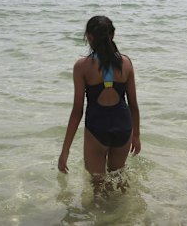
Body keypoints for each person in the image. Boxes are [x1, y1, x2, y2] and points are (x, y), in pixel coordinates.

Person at [58, 16, 141, 190]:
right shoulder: (126, 63)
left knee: (98, 186)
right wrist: (136, 135)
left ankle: (104, 216)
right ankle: (126, 215)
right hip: (123, 126)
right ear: (113, 35)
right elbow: (133, 104)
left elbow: (77, 111)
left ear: (89, 36)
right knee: (119, 178)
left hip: (98, 126)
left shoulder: (82, 66)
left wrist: (65, 151)